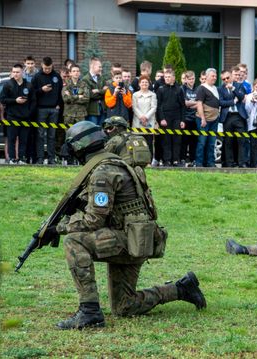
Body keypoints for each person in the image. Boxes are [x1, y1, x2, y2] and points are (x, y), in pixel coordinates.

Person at [48, 121, 206, 330]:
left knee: (74, 242)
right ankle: (180, 289)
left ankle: (89, 312)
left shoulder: (102, 172)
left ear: (79, 148)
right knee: (125, 306)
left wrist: (60, 227)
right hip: (134, 240)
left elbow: (93, 220)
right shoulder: (112, 163)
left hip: (128, 240)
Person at [0, 63, 37, 164]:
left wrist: (29, 113)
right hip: (12, 116)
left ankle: (21, 158)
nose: (15, 74)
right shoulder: (8, 85)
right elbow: (2, 99)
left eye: (18, 72)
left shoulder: (28, 85)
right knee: (11, 139)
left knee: (23, 140)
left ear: (22, 73)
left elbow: (33, 101)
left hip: (25, 117)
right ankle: (12, 159)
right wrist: (15, 101)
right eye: (14, 72)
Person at [32, 57, 63, 164]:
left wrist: (59, 104)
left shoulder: (56, 76)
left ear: (52, 65)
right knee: (40, 135)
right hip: (41, 109)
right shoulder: (37, 76)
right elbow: (32, 93)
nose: (47, 70)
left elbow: (60, 92)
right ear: (41, 65)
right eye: (45, 68)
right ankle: (40, 158)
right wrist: (41, 90)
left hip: (54, 109)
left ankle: (51, 158)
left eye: (49, 68)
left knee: (52, 135)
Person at [218, 67, 248, 168]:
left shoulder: (239, 86)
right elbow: (220, 102)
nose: (226, 80)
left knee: (241, 140)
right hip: (228, 117)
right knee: (228, 141)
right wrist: (232, 102)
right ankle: (229, 163)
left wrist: (233, 89)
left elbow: (242, 97)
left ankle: (242, 163)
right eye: (224, 79)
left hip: (239, 116)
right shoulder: (220, 89)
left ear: (231, 76)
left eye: (227, 78)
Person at [156, 69, 186, 166]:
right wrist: (161, 118)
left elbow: (183, 106)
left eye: (169, 77)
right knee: (166, 140)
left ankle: (176, 160)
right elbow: (159, 106)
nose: (167, 79)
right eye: (166, 77)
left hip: (176, 118)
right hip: (165, 118)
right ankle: (167, 160)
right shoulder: (161, 89)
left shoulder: (179, 89)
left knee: (177, 139)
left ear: (173, 77)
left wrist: (182, 120)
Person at [195, 68, 220, 168]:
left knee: (211, 143)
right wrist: (202, 118)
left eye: (215, 76)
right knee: (202, 142)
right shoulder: (201, 88)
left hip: (214, 119)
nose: (215, 78)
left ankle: (210, 162)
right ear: (207, 76)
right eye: (212, 76)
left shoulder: (216, 88)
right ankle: (199, 163)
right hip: (204, 120)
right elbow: (199, 104)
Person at [132, 75, 157, 158]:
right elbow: (134, 107)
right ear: (139, 84)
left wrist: (146, 117)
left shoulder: (153, 95)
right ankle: (138, 159)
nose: (144, 84)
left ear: (149, 84)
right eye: (142, 82)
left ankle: (149, 160)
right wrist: (141, 117)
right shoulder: (135, 95)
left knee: (149, 141)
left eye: (146, 82)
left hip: (149, 121)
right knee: (138, 141)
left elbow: (154, 107)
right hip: (137, 121)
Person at [83, 57, 108, 126]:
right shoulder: (85, 79)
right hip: (92, 111)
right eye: (99, 67)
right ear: (92, 66)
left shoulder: (101, 78)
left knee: (101, 131)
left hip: (102, 109)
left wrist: (98, 91)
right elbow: (90, 95)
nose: (101, 69)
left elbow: (107, 92)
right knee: (92, 131)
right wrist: (102, 91)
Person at [181, 70, 198, 166]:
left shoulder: (198, 88)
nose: (192, 81)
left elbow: (200, 103)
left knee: (194, 141)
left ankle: (192, 159)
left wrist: (191, 103)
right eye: (190, 79)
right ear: (186, 79)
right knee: (184, 140)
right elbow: (184, 103)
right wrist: (195, 103)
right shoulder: (182, 89)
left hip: (195, 118)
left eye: (193, 79)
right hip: (186, 118)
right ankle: (183, 159)